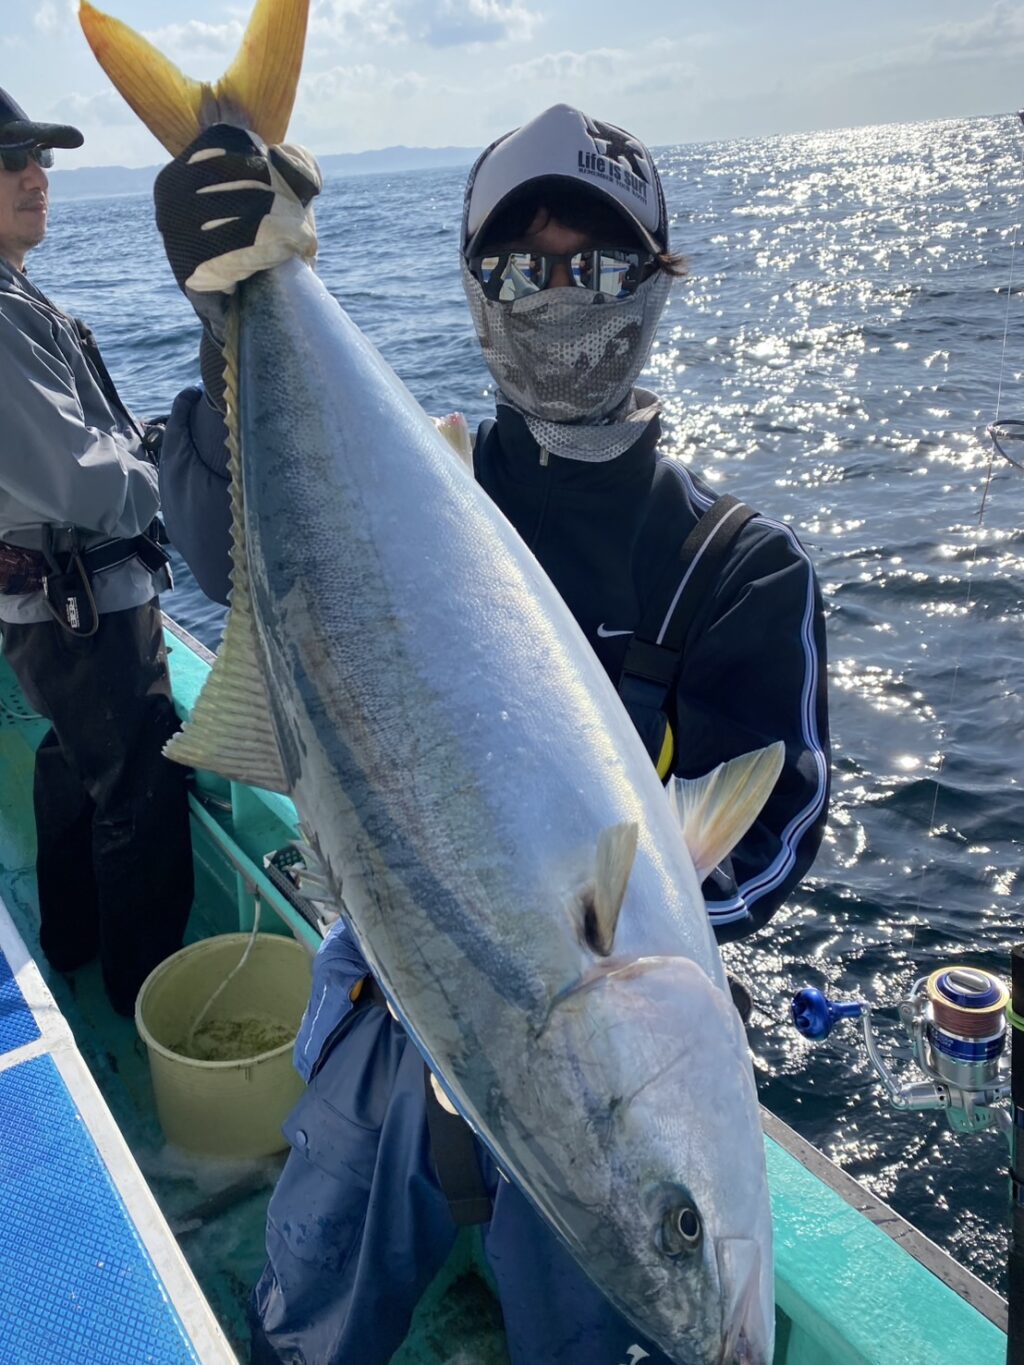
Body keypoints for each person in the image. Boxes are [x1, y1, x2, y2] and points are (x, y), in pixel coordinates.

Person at [155, 104, 830, 1364]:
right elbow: (217, 554)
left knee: (582, 1307)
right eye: (524, 268)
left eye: (601, 266)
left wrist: (638, 929)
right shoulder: (419, 476)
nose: (561, 297)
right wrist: (227, 315)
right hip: (398, 977)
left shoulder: (738, 567)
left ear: (659, 282)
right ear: (475, 291)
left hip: (566, 1024)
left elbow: (776, 827)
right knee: (320, 1266)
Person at [0, 88, 194, 1017]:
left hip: (50, 609)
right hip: (83, 609)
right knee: (138, 781)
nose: (35, 175)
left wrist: (136, 445)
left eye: (40, 157)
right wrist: (169, 476)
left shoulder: (13, 292)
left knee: (77, 757)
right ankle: (141, 999)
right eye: (11, 160)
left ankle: (71, 940)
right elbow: (78, 480)